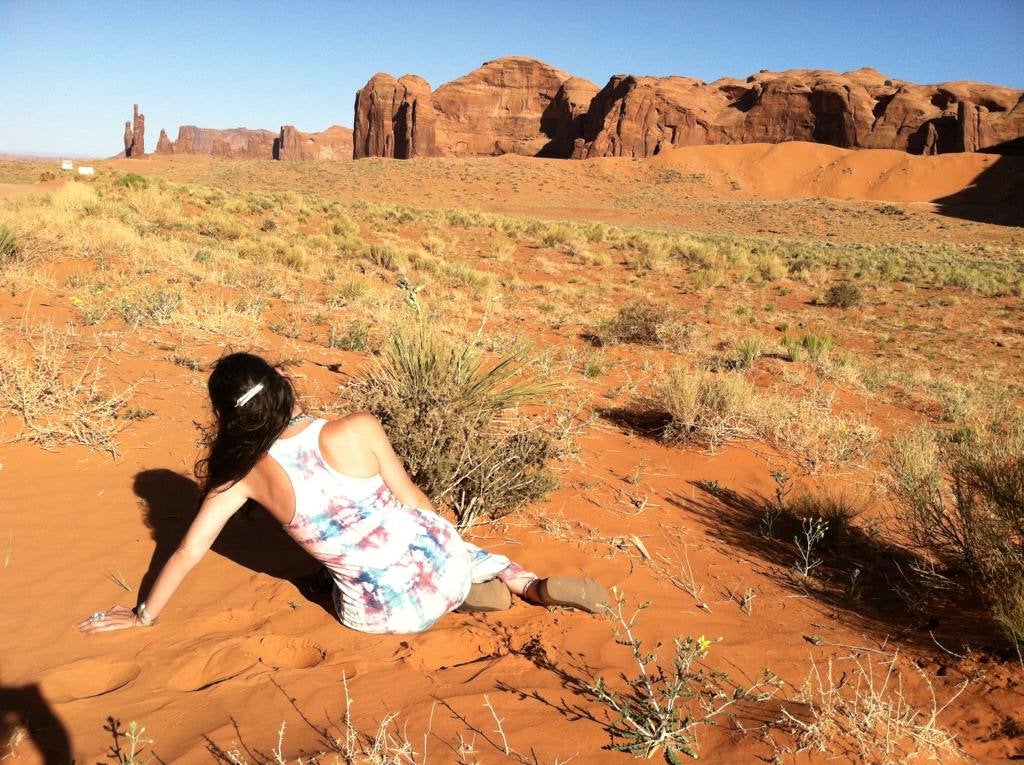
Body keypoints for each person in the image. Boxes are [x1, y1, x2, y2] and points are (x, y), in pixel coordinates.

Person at [79, 353, 608, 635]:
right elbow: (414, 501)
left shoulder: (236, 478)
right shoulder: (357, 427)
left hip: (380, 614)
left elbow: (190, 551)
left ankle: (454, 596)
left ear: (227, 417)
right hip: (440, 564)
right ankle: (521, 583)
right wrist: (449, 545)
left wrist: (144, 614)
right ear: (283, 386)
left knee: (320, 580)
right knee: (430, 539)